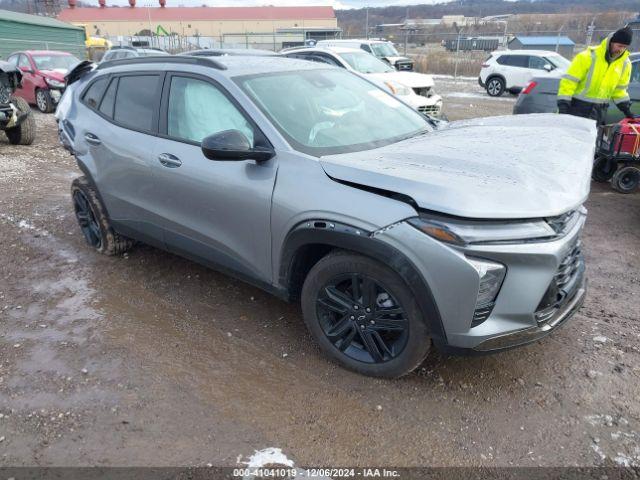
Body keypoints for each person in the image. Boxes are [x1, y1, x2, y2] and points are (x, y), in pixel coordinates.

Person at [558, 26, 634, 124]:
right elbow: (569, 82)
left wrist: (626, 109)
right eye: (619, 46)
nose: (621, 50)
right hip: (576, 108)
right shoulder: (587, 57)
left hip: (599, 112)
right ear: (611, 42)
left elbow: (619, 90)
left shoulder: (625, 64)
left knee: (593, 139)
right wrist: (564, 104)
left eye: (624, 47)